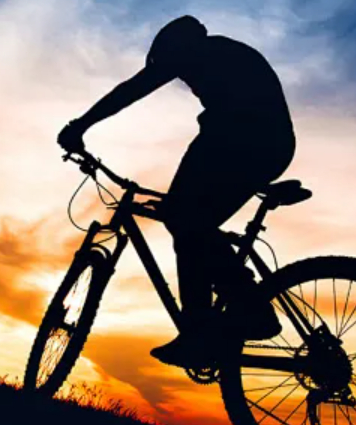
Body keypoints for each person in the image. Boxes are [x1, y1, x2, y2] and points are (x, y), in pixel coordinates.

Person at [57, 15, 295, 368]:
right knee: (189, 223)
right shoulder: (222, 52)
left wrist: (80, 126)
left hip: (240, 139)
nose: (177, 74)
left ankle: (231, 317)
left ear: (179, 49)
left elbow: (132, 89)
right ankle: (212, 324)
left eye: (170, 63)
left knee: (186, 221)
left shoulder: (206, 54)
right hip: (261, 143)